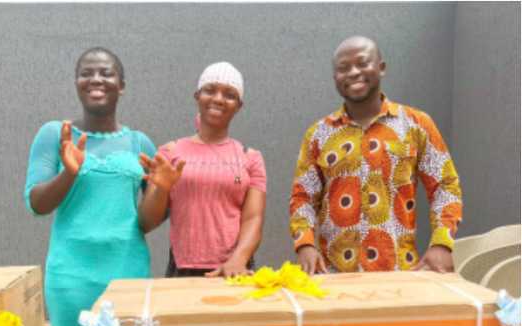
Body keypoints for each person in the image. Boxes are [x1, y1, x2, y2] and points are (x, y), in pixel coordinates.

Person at [24, 47, 159, 326]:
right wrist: (68, 171)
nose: (96, 79)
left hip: (127, 271)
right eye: (87, 73)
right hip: (71, 274)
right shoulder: (54, 135)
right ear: (77, 82)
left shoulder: (141, 144)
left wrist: (162, 189)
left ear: (122, 85)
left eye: (107, 73)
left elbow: (146, 220)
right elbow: (38, 202)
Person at [290, 36, 462, 274]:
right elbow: (303, 197)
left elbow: (445, 185)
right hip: (333, 275)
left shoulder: (416, 124)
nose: (353, 72)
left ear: (381, 68)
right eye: (343, 68)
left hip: (399, 273)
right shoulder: (318, 134)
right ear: (335, 79)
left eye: (362, 63)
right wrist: (305, 244)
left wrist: (442, 244)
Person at [138, 62, 267, 277]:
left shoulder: (250, 157)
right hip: (182, 269)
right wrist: (161, 188)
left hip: (235, 270)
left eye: (229, 94)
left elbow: (253, 219)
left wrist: (238, 260)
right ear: (197, 96)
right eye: (210, 90)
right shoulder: (170, 152)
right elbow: (146, 223)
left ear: (238, 105)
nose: (218, 98)